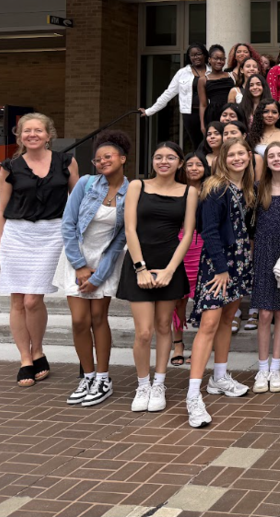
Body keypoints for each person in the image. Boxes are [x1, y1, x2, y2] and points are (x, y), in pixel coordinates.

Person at [0, 113, 79, 387]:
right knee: (17, 301)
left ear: (48, 134)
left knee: (33, 300)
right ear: (20, 136)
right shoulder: (10, 166)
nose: (32, 135)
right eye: (27, 131)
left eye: (38, 130)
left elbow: (77, 203)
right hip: (17, 235)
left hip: (52, 234)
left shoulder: (66, 162)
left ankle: (38, 349)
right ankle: (26, 358)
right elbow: (2, 210)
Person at [117, 142, 197, 412]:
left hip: (169, 265)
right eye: (158, 157)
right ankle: (143, 385)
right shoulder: (137, 186)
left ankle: (159, 384)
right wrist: (140, 268)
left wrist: (170, 270)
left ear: (180, 163)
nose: (164, 161)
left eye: (170, 157)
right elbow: (129, 229)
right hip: (138, 263)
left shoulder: (189, 191)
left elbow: (187, 234)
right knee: (144, 332)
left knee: (164, 326)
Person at [55, 130, 130, 406]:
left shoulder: (131, 191)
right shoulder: (86, 184)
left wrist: (99, 275)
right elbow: (68, 225)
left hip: (106, 260)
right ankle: (87, 376)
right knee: (79, 320)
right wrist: (80, 266)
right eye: (98, 159)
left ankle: (103, 377)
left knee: (99, 317)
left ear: (122, 158)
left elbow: (122, 237)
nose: (102, 162)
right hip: (76, 258)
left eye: (108, 157)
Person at [184, 138, 254, 426]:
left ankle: (220, 377)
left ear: (249, 156)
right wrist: (222, 269)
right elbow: (210, 231)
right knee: (209, 324)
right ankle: (193, 395)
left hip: (240, 262)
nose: (238, 158)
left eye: (242, 153)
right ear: (223, 159)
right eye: (232, 154)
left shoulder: (247, 188)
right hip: (218, 264)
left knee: (227, 320)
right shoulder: (216, 187)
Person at [250, 142, 280, 394]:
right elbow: (252, 225)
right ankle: (262, 368)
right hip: (264, 252)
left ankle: (276, 368)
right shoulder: (259, 189)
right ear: (266, 162)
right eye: (271, 156)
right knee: (265, 313)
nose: (276, 159)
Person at [172, 151, 207, 369]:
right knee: (178, 298)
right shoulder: (176, 189)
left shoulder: (211, 190)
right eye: (190, 165)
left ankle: (198, 346)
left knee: (203, 298)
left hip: (203, 246)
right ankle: (178, 344)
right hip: (178, 245)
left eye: (198, 164)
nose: (194, 168)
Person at [141, 43, 207, 148]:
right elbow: (168, 93)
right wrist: (150, 111)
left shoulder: (212, 71)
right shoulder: (182, 73)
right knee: (197, 144)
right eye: (192, 55)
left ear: (204, 55)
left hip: (209, 112)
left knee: (211, 142)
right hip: (190, 115)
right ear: (189, 57)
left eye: (199, 54)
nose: (196, 57)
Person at [198, 44, 233, 132]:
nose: (219, 61)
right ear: (209, 59)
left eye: (222, 59)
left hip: (230, 112)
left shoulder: (232, 76)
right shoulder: (203, 80)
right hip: (213, 114)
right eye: (216, 58)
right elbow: (203, 104)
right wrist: (202, 125)